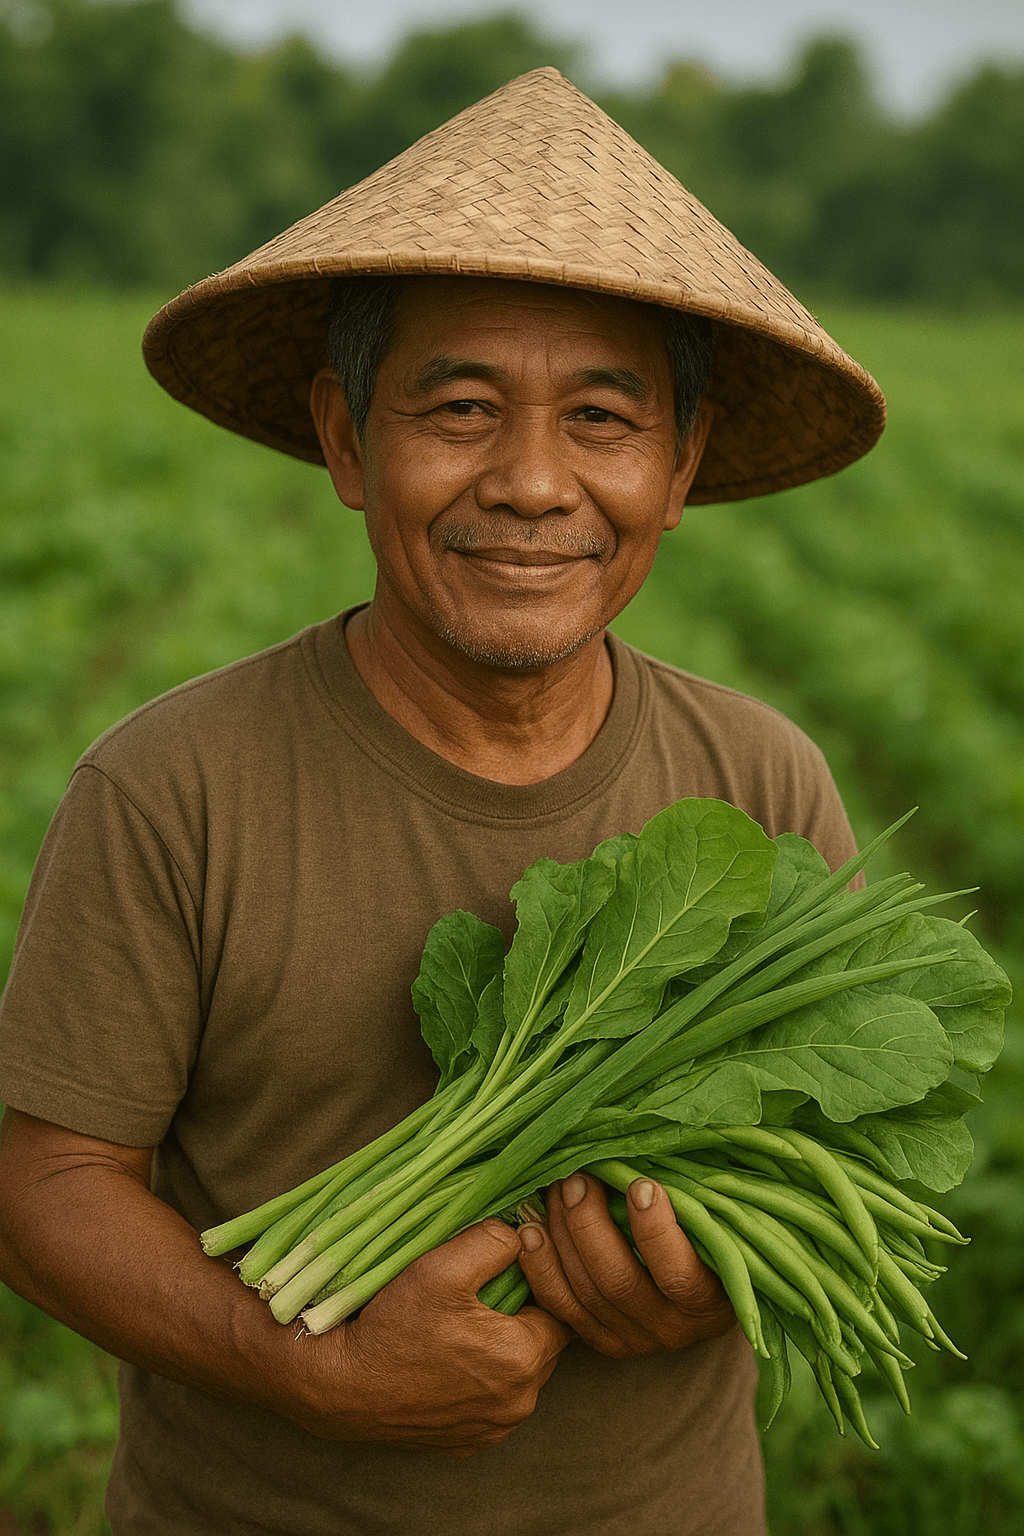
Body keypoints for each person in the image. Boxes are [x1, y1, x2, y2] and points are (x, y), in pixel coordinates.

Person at [0, 68, 884, 1535]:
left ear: (682, 466)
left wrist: (704, 1275)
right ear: (348, 443)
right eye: (459, 407)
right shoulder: (172, 784)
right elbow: (44, 1184)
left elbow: (834, 1142)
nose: (533, 483)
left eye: (604, 418)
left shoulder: (763, 777)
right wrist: (302, 1365)